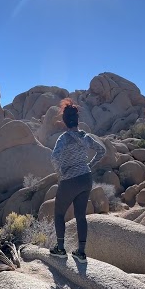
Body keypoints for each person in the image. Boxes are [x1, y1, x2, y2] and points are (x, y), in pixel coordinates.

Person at [49, 98, 106, 263]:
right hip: (86, 178)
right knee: (81, 216)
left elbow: (54, 158)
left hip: (69, 180)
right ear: (77, 120)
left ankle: (60, 249)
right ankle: (81, 253)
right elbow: (101, 150)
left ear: (65, 122)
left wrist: (61, 174)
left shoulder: (64, 138)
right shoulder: (85, 136)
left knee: (59, 213)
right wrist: (89, 165)